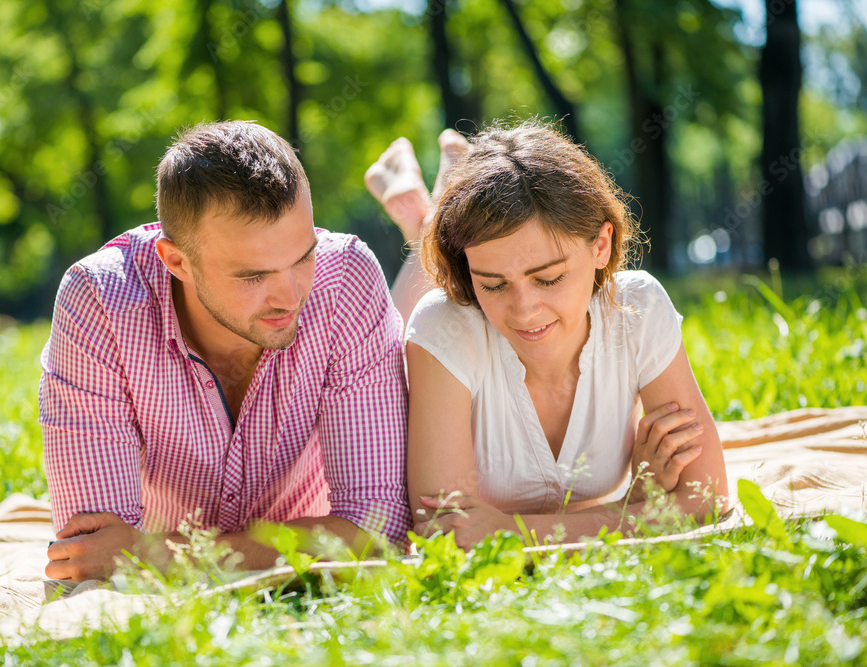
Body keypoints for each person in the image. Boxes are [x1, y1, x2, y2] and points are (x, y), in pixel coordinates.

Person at [41, 120, 411, 582]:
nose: (291, 296)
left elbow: (379, 528)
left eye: (303, 257)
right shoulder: (100, 301)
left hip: (196, 552)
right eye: (253, 276)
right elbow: (91, 555)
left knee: (434, 317)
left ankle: (421, 221)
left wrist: (165, 558)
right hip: (294, 552)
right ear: (176, 262)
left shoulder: (346, 276)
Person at [366, 121, 729, 548]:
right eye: (494, 284)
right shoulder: (443, 328)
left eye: (549, 278)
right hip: (440, 328)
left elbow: (708, 498)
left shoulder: (638, 309)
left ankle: (436, 204)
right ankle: (425, 223)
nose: (524, 310)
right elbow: (444, 534)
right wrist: (637, 506)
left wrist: (512, 532)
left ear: (601, 246)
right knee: (406, 317)